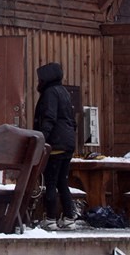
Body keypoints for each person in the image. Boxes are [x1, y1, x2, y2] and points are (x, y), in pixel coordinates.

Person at [33, 62, 78, 231]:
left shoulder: (50, 93)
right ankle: (68, 217)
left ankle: (50, 218)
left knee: (51, 182)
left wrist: (41, 139)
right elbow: (71, 120)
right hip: (67, 143)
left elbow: (49, 117)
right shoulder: (64, 92)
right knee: (62, 182)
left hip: (55, 143)